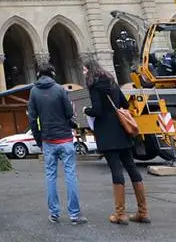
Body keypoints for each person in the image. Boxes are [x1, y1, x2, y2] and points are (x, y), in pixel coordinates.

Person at [83, 58, 150, 224]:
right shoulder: (112, 82)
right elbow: (125, 104)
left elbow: (97, 110)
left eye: (84, 70)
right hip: (122, 131)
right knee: (132, 168)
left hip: (106, 133)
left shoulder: (94, 85)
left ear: (89, 70)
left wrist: (86, 110)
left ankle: (120, 214)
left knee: (116, 170)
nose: (84, 73)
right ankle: (143, 212)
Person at [27, 64, 87, 225]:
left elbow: (32, 119)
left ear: (38, 75)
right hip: (65, 139)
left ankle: (54, 214)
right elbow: (69, 113)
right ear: (53, 74)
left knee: (50, 176)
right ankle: (74, 215)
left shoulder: (33, 92)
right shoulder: (60, 90)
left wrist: (39, 139)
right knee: (70, 175)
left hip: (48, 140)